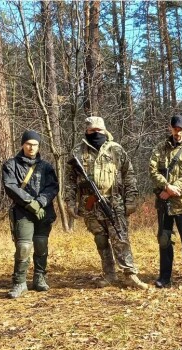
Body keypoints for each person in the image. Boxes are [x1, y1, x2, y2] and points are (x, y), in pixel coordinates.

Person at [66, 116, 147, 289]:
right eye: (92, 131)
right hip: (89, 205)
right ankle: (109, 275)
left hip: (114, 203)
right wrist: (70, 202)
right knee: (101, 241)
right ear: (86, 131)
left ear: (104, 130)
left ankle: (129, 274)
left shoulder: (116, 150)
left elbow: (129, 177)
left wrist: (131, 199)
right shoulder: (77, 152)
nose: (96, 133)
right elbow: (70, 181)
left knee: (120, 238)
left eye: (99, 130)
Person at [2, 131, 59, 299]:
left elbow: (53, 187)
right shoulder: (10, 164)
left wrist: (40, 202)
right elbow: (10, 186)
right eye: (28, 144)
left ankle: (39, 277)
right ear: (22, 145)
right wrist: (29, 202)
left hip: (44, 211)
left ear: (39, 146)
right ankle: (19, 282)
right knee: (23, 247)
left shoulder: (47, 167)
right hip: (22, 212)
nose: (31, 147)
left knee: (41, 244)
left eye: (35, 144)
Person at [149, 114, 182, 288]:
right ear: (170, 128)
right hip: (164, 203)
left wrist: (172, 188)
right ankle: (164, 277)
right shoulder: (159, 148)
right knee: (164, 240)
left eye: (181, 129)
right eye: (175, 129)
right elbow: (152, 170)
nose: (178, 133)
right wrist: (166, 186)